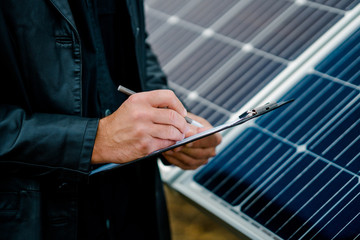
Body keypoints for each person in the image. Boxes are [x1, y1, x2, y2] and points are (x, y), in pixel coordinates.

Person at [0, 0, 222, 239]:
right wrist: (94, 140)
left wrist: (168, 120)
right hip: (38, 217)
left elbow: (136, 47)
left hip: (136, 207)